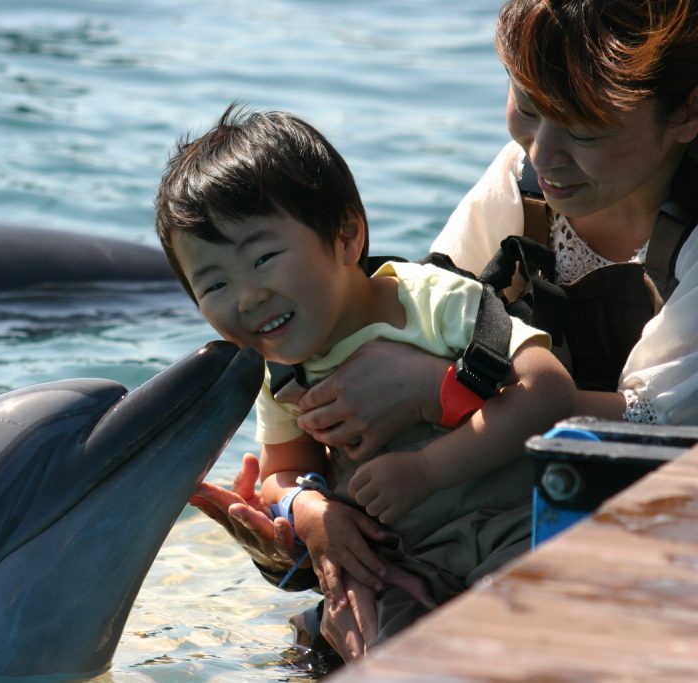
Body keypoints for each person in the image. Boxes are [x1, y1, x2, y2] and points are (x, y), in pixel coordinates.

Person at [189, 0, 698, 663]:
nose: (544, 152)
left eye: (588, 129)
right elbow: (404, 322)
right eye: (527, 105)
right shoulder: (524, 185)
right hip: (493, 511)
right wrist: (310, 520)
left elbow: (661, 428)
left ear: (687, 112)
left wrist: (443, 390)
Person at [154, 105, 577, 659]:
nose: (246, 297)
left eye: (263, 258)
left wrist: (428, 468)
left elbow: (548, 391)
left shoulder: (429, 301)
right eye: (212, 284)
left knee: (522, 634)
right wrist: (312, 514)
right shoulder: (280, 372)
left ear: (347, 236)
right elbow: (282, 472)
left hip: (513, 529)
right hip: (404, 560)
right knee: (375, 647)